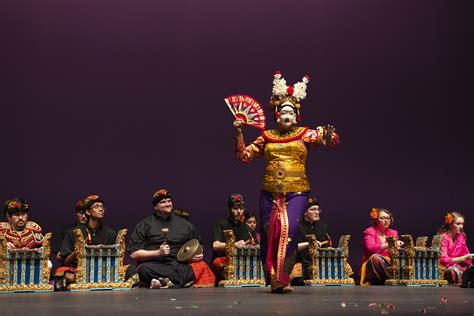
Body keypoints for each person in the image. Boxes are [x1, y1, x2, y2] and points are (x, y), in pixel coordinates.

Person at [233, 71, 340, 293]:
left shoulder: (303, 133)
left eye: (291, 111)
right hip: (269, 192)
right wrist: (239, 132)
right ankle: (273, 279)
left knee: (288, 229)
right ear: (276, 114)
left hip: (297, 191)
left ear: (297, 115)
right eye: (283, 111)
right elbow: (244, 156)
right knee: (269, 232)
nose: (287, 114)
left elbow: (327, 139)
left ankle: (283, 277)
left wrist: (329, 138)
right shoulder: (266, 136)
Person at [128, 189, 215, 288]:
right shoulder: (144, 225)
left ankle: (164, 282)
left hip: (180, 265)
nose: (167, 204)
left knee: (201, 265)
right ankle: (174, 282)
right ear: (155, 207)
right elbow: (134, 254)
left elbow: (198, 245)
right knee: (143, 270)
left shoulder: (185, 224)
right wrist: (158, 253)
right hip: (155, 264)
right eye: (163, 202)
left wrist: (196, 255)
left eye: (169, 201)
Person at [55, 195, 136, 289]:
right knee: (61, 274)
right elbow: (66, 262)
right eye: (96, 207)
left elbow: (116, 261)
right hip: (80, 270)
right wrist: (78, 250)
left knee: (131, 270)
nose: (101, 209)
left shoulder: (110, 233)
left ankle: (87, 282)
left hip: (105, 270)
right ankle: (101, 281)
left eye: (102, 207)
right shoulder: (74, 232)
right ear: (88, 212)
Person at [211, 194, 250, 283]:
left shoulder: (247, 229)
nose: (239, 211)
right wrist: (234, 244)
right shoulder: (220, 224)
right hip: (224, 260)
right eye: (235, 209)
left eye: (241, 209)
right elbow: (215, 245)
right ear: (229, 209)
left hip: (241, 262)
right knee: (218, 262)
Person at [360, 208, 403, 285]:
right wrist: (390, 244)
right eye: (382, 218)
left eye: (387, 218)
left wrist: (398, 247)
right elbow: (370, 248)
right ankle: (388, 278)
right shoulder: (370, 231)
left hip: (388, 264)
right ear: (376, 220)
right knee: (375, 258)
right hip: (373, 264)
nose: (386, 220)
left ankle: (391, 277)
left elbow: (395, 251)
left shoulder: (392, 233)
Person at [296, 197, 331, 280]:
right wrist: (309, 243)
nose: (316, 212)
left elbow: (326, 244)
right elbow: (291, 248)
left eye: (318, 209)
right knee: (298, 278)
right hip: (302, 262)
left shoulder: (323, 227)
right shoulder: (297, 227)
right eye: (313, 209)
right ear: (305, 212)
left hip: (320, 263)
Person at [437, 211, 473, 284]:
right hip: (442, 267)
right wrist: (464, 258)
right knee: (452, 272)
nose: (461, 226)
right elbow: (443, 260)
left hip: (456, 267)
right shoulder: (444, 238)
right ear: (450, 225)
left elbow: (467, 255)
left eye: (462, 224)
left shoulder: (461, 237)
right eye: (458, 224)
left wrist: (470, 260)